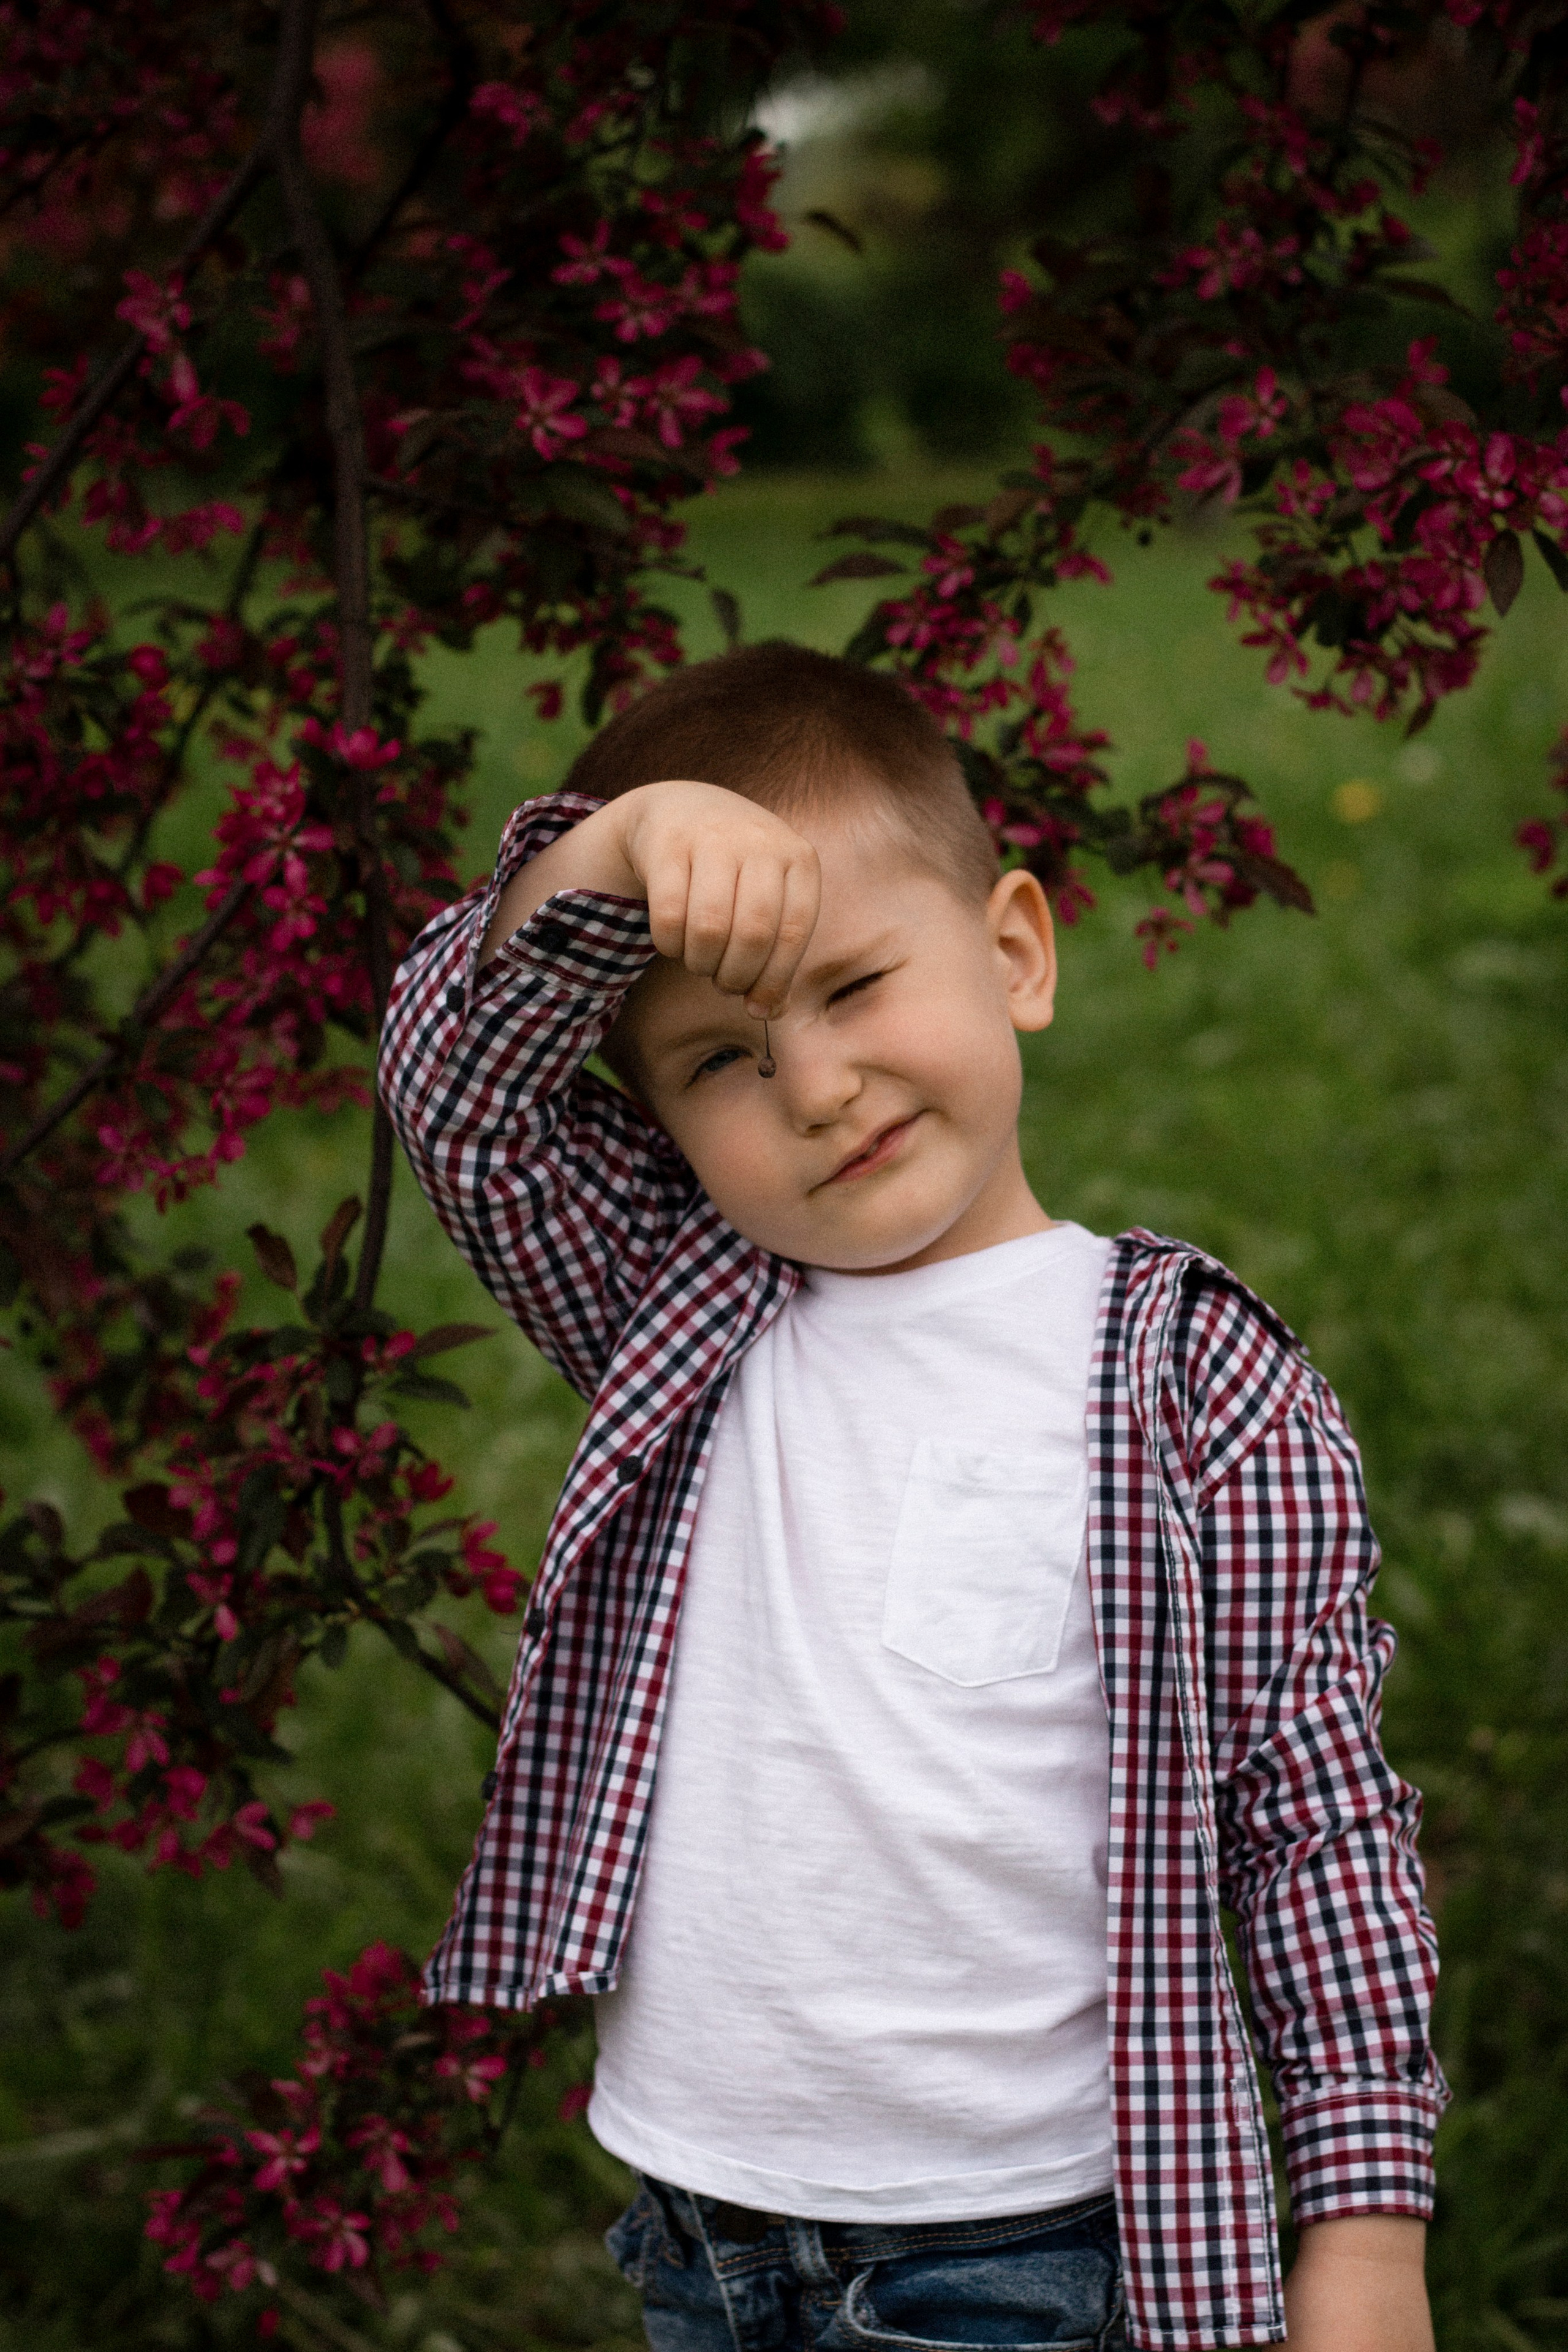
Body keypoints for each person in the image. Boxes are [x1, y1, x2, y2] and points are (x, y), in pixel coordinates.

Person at [380, 643, 1446, 2352]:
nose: (816, 1088)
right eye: (720, 1061)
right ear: (659, 1115)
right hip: (702, 2228)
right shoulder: (681, 1311)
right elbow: (457, 1096)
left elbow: (1313, 1821)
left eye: (857, 986)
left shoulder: (1191, 1380)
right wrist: (608, 853)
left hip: (1025, 2251)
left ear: (1015, 951)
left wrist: (1366, 2232)